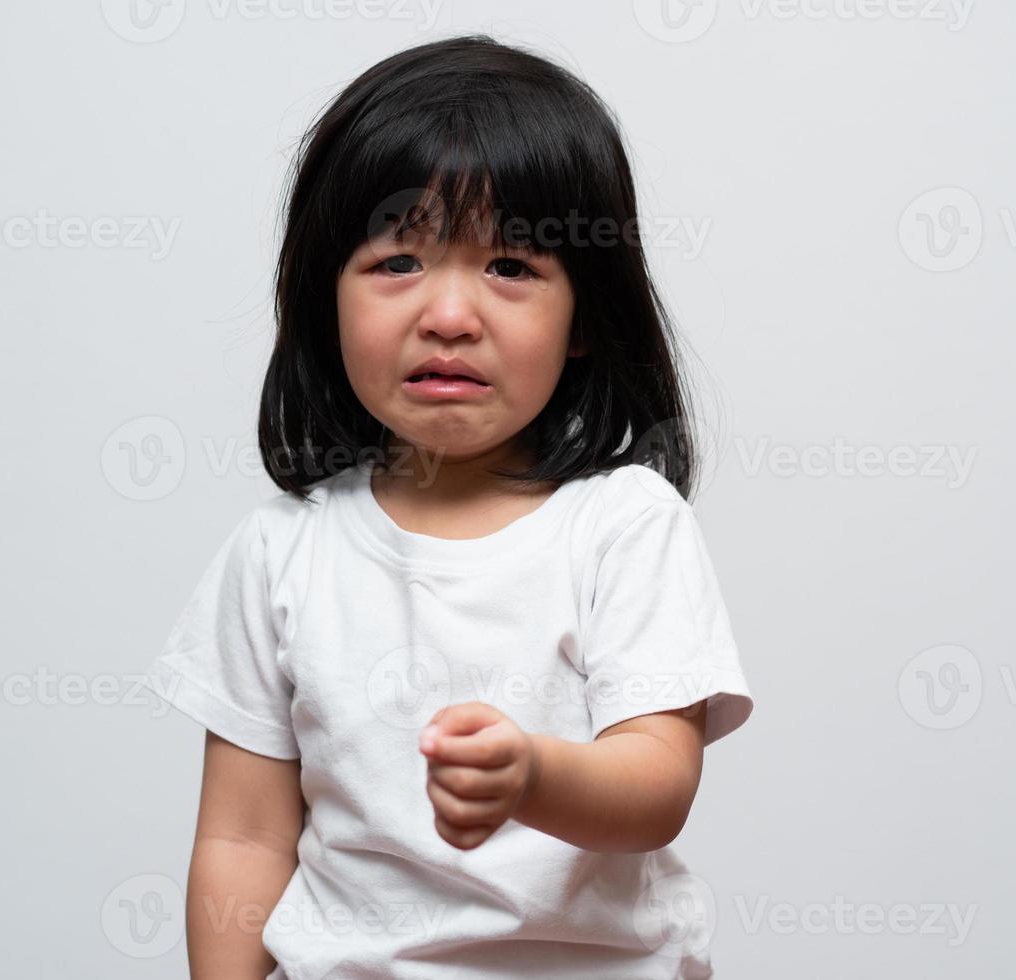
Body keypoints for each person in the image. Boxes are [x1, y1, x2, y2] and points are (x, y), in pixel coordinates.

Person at [144, 32, 755, 979]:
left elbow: (657, 784)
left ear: (587, 315)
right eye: (398, 262)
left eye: (510, 266)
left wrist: (534, 774)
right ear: (324, 300)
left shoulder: (623, 526)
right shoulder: (278, 555)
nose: (450, 315)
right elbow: (244, 838)